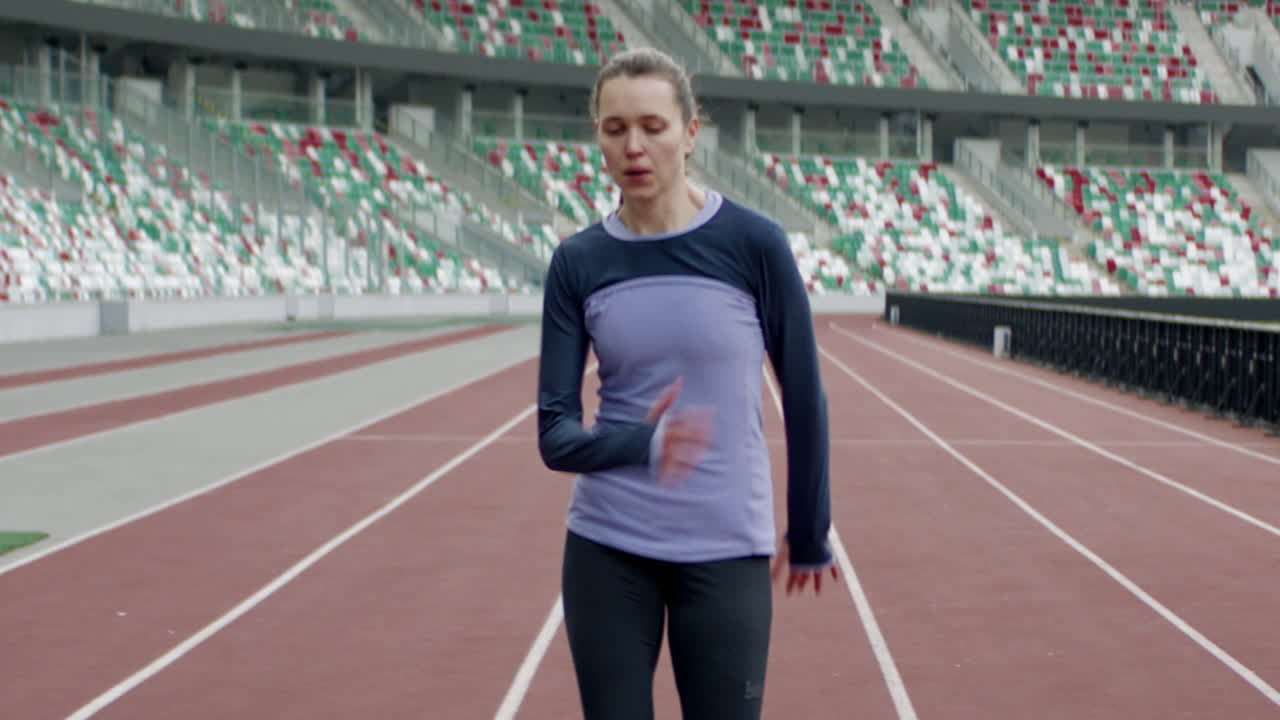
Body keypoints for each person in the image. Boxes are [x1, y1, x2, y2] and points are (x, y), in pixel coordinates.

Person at [536, 46, 836, 720]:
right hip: (607, 546)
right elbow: (554, 436)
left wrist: (810, 529)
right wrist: (643, 445)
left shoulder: (752, 244)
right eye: (615, 130)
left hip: (726, 546)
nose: (634, 146)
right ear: (598, 139)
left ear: (691, 132)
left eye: (653, 126)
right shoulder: (579, 261)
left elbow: (805, 395)